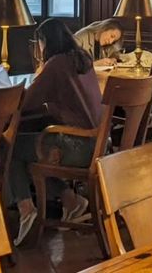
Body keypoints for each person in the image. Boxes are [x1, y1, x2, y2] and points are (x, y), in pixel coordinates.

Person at [8, 17, 103, 246]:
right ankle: (70, 199)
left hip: (74, 146)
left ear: (45, 41)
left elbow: (27, 102)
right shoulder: (84, 59)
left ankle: (26, 209)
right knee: (33, 152)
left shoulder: (56, 65)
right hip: (98, 144)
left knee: (9, 146)